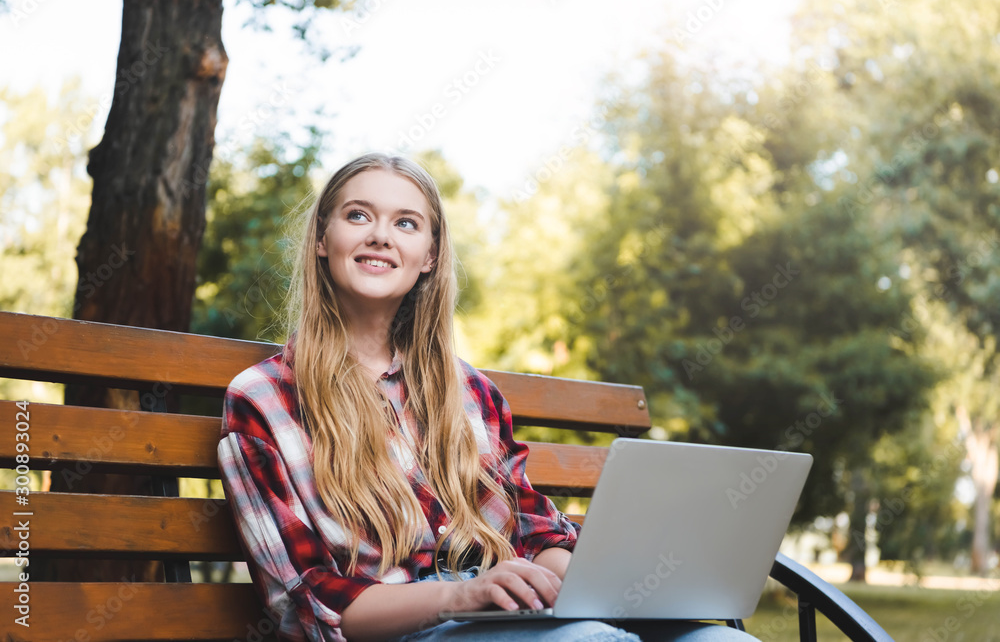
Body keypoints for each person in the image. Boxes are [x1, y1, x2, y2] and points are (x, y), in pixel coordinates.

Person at [217, 153, 760, 642]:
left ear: (429, 256)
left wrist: (628, 586)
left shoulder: (470, 392)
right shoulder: (263, 399)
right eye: (358, 215)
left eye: (406, 223)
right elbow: (307, 604)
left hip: (507, 620)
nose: (381, 235)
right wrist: (461, 596)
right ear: (321, 239)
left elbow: (535, 531)